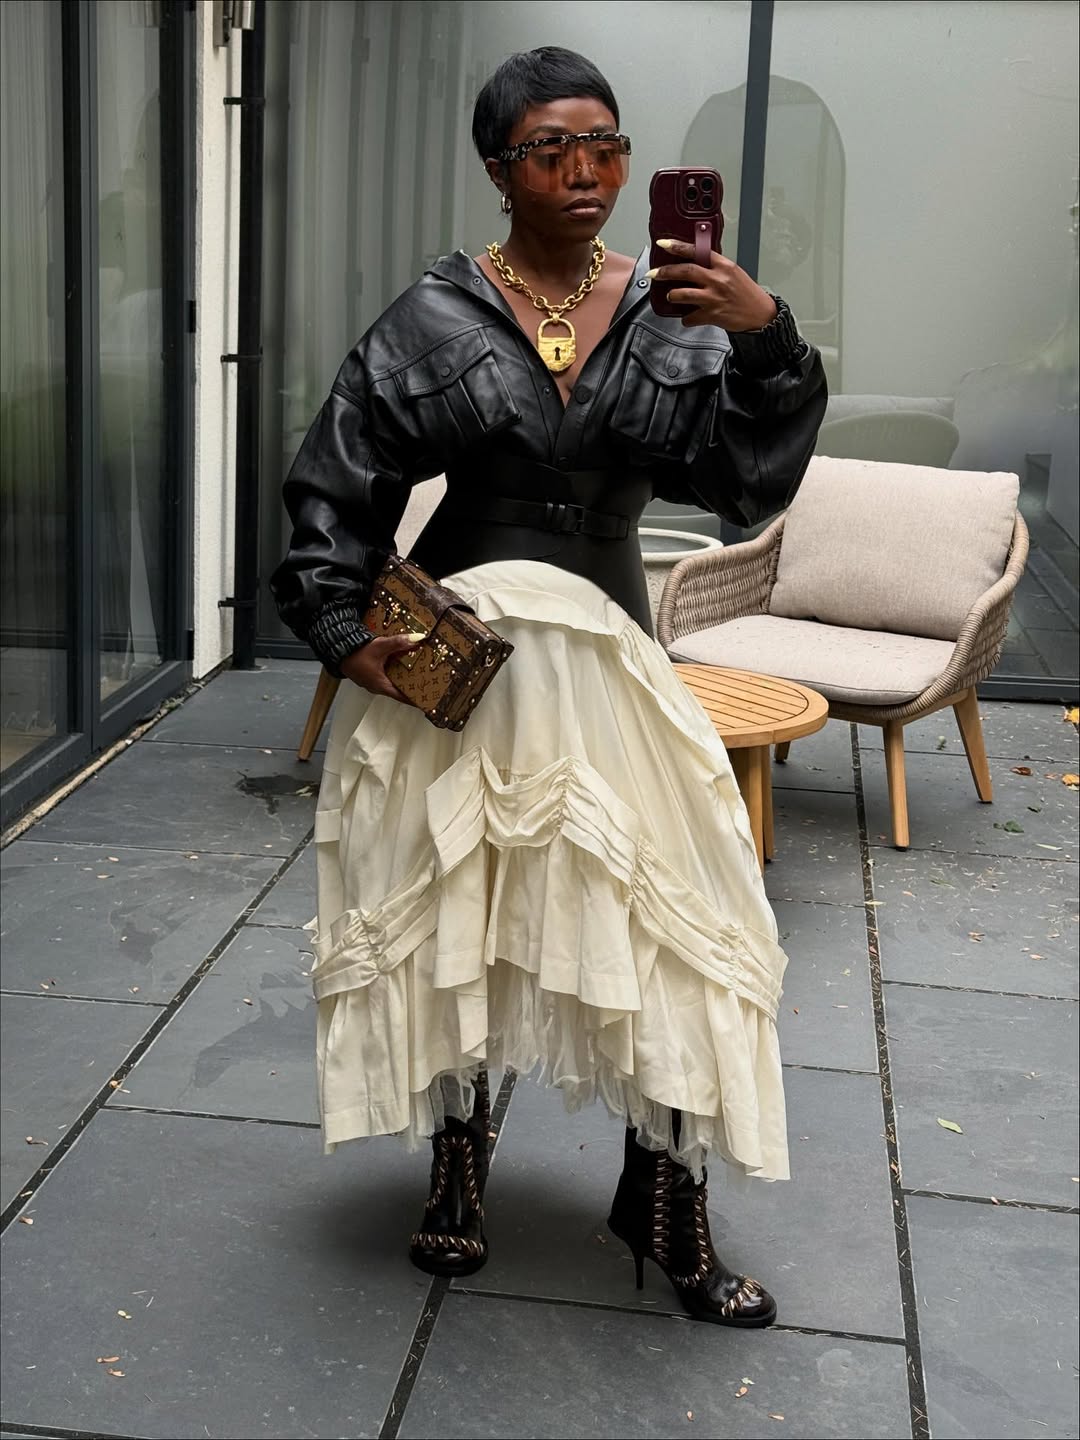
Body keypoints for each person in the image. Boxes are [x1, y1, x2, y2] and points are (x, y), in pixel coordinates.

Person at [271, 46, 826, 1328]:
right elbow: (333, 487)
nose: (586, 173)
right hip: (462, 664)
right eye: (552, 150)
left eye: (608, 147)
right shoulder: (434, 314)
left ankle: (666, 1195)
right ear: (498, 169)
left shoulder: (681, 307)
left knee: (679, 927)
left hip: (613, 660)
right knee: (456, 910)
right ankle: (458, 1168)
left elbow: (747, 484)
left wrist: (768, 337)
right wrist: (347, 629)